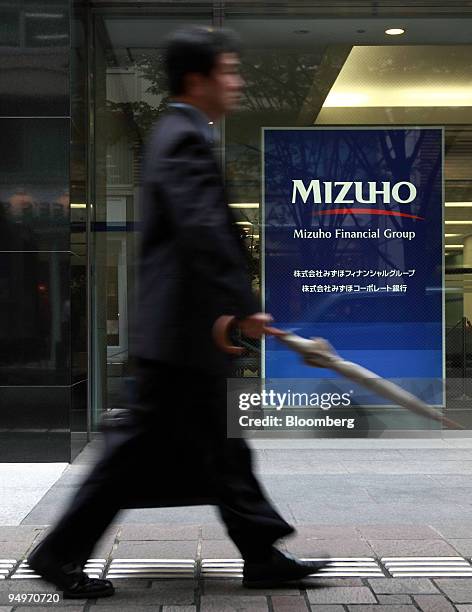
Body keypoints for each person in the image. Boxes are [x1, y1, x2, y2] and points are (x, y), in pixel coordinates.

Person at [27, 26, 329, 599]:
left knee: (224, 446)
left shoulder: (179, 133)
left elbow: (204, 232)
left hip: (185, 332)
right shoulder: (182, 136)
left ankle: (261, 552)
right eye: (230, 71)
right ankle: (59, 553)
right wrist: (239, 307)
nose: (238, 82)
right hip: (182, 335)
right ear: (198, 78)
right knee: (137, 453)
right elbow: (202, 230)